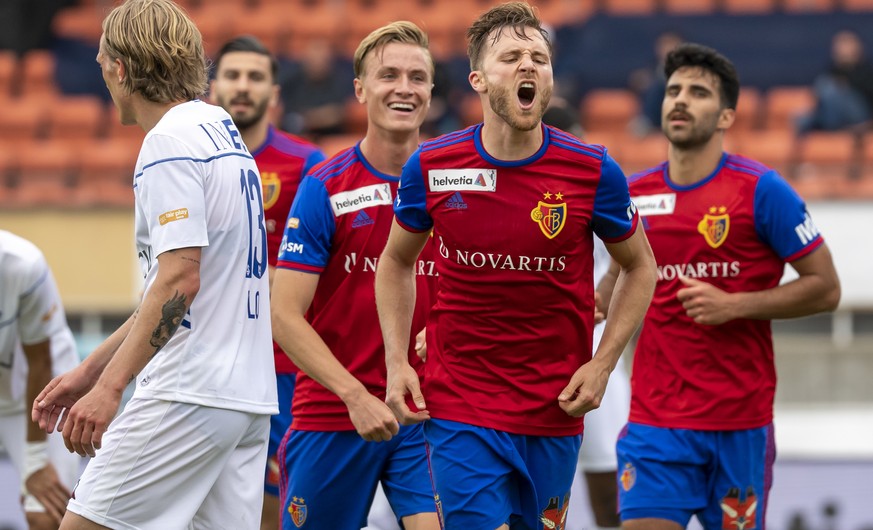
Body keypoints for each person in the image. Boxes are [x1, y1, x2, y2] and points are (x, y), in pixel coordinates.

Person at [374, 3, 657, 529]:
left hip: (555, 406)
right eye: (511, 57)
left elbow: (641, 267)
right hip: (460, 402)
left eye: (539, 57)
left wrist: (602, 364)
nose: (529, 65)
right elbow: (395, 261)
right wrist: (396, 361)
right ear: (478, 78)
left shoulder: (592, 170)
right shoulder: (434, 166)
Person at [31, 1, 278, 528]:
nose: (103, 78)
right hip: (246, 398)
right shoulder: (221, 129)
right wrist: (91, 368)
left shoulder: (168, 141)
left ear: (120, 68)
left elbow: (178, 280)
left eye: (102, 65)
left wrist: (110, 388)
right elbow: (181, 289)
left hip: (186, 391)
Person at [616, 43, 841, 530]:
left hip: (738, 424)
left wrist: (736, 305)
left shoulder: (763, 191)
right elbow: (608, 288)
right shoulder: (634, 195)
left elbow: (826, 288)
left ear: (725, 117)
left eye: (698, 93)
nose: (680, 100)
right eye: (674, 90)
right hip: (655, 422)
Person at [270, 21, 439, 530]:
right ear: (361, 90)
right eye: (388, 75)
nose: (404, 88)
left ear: (432, 91)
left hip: (428, 412)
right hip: (335, 410)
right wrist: (353, 396)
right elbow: (284, 315)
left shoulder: (456, 185)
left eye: (417, 77)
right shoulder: (326, 186)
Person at [209, 34, 326, 530]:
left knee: (278, 505)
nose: (242, 86)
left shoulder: (308, 165)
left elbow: (324, 273)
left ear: (274, 93)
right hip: (211, 363)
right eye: (232, 75)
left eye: (255, 77)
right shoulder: (195, 160)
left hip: (282, 366)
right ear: (212, 88)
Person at [0, 230, 82, 530]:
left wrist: (34, 463)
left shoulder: (23, 264)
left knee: (45, 515)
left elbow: (40, 362)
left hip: (41, 394)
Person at [796, 30, 873, 134]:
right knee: (801, 118)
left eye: (846, 45)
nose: (842, 49)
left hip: (859, 116)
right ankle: (829, 127)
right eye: (839, 45)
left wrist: (844, 88)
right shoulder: (831, 71)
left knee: (829, 88)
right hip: (834, 114)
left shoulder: (866, 71)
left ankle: (830, 127)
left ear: (856, 48)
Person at [280, 37, 353, 140]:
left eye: (322, 58)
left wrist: (307, 118)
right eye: (313, 58)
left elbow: (337, 114)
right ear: (305, 59)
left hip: (330, 136)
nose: (318, 62)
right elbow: (285, 112)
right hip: (296, 134)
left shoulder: (340, 80)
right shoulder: (292, 80)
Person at [628, 31, 683, 138]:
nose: (668, 49)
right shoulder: (651, 68)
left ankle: (646, 120)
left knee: (659, 86)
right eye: (665, 45)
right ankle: (646, 122)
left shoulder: (688, 70)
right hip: (658, 112)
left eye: (672, 45)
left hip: (678, 110)